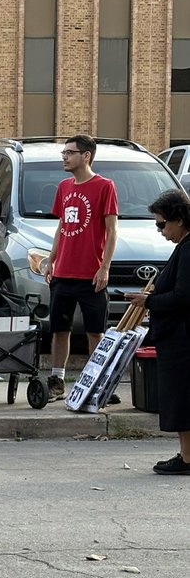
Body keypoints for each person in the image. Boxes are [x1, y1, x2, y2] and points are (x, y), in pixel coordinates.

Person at [45, 135, 119, 402]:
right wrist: (51, 259)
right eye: (63, 153)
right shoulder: (64, 187)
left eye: (69, 152)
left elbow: (112, 231)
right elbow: (62, 226)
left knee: (95, 331)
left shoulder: (104, 186)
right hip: (63, 273)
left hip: (91, 275)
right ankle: (57, 381)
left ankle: (96, 383)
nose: (64, 157)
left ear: (86, 156)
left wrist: (104, 267)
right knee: (59, 329)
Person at [125, 188, 190, 475]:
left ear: (179, 219)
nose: (160, 230)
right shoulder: (184, 246)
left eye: (162, 224)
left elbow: (182, 297)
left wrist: (148, 301)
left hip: (182, 338)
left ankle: (187, 459)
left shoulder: (189, 249)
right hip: (177, 336)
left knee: (181, 400)